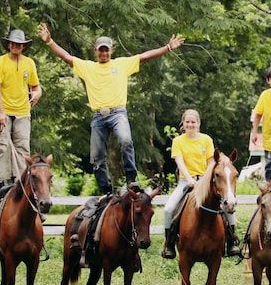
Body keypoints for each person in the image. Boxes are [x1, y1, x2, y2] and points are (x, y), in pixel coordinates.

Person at [38, 22, 184, 195]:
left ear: (111, 51)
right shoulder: (88, 67)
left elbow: (144, 56)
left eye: (106, 50)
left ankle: (132, 180)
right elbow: (66, 57)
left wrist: (167, 47)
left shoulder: (121, 64)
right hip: (99, 116)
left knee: (126, 141)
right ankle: (105, 188)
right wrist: (49, 42)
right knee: (97, 155)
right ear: (96, 51)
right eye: (101, 50)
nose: (104, 53)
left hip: (117, 113)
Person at [161, 109, 240, 259]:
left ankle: (231, 240)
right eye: (187, 122)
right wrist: (190, 179)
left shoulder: (206, 139)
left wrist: (203, 180)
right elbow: (179, 161)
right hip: (186, 182)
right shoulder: (178, 141)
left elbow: (211, 162)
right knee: (168, 209)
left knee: (227, 203)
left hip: (205, 180)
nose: (190, 124)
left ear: (198, 123)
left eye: (193, 122)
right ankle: (169, 243)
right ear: (183, 124)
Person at [0, 29, 41, 192]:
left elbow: (35, 85)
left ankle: (19, 181)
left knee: (22, 147)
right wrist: (1, 112)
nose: (16, 46)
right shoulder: (0, 62)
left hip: (23, 111)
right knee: (2, 145)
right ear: (9, 45)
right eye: (13, 43)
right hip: (2, 109)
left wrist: (38, 93)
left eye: (19, 44)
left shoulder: (29, 63)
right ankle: (2, 182)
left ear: (24, 46)